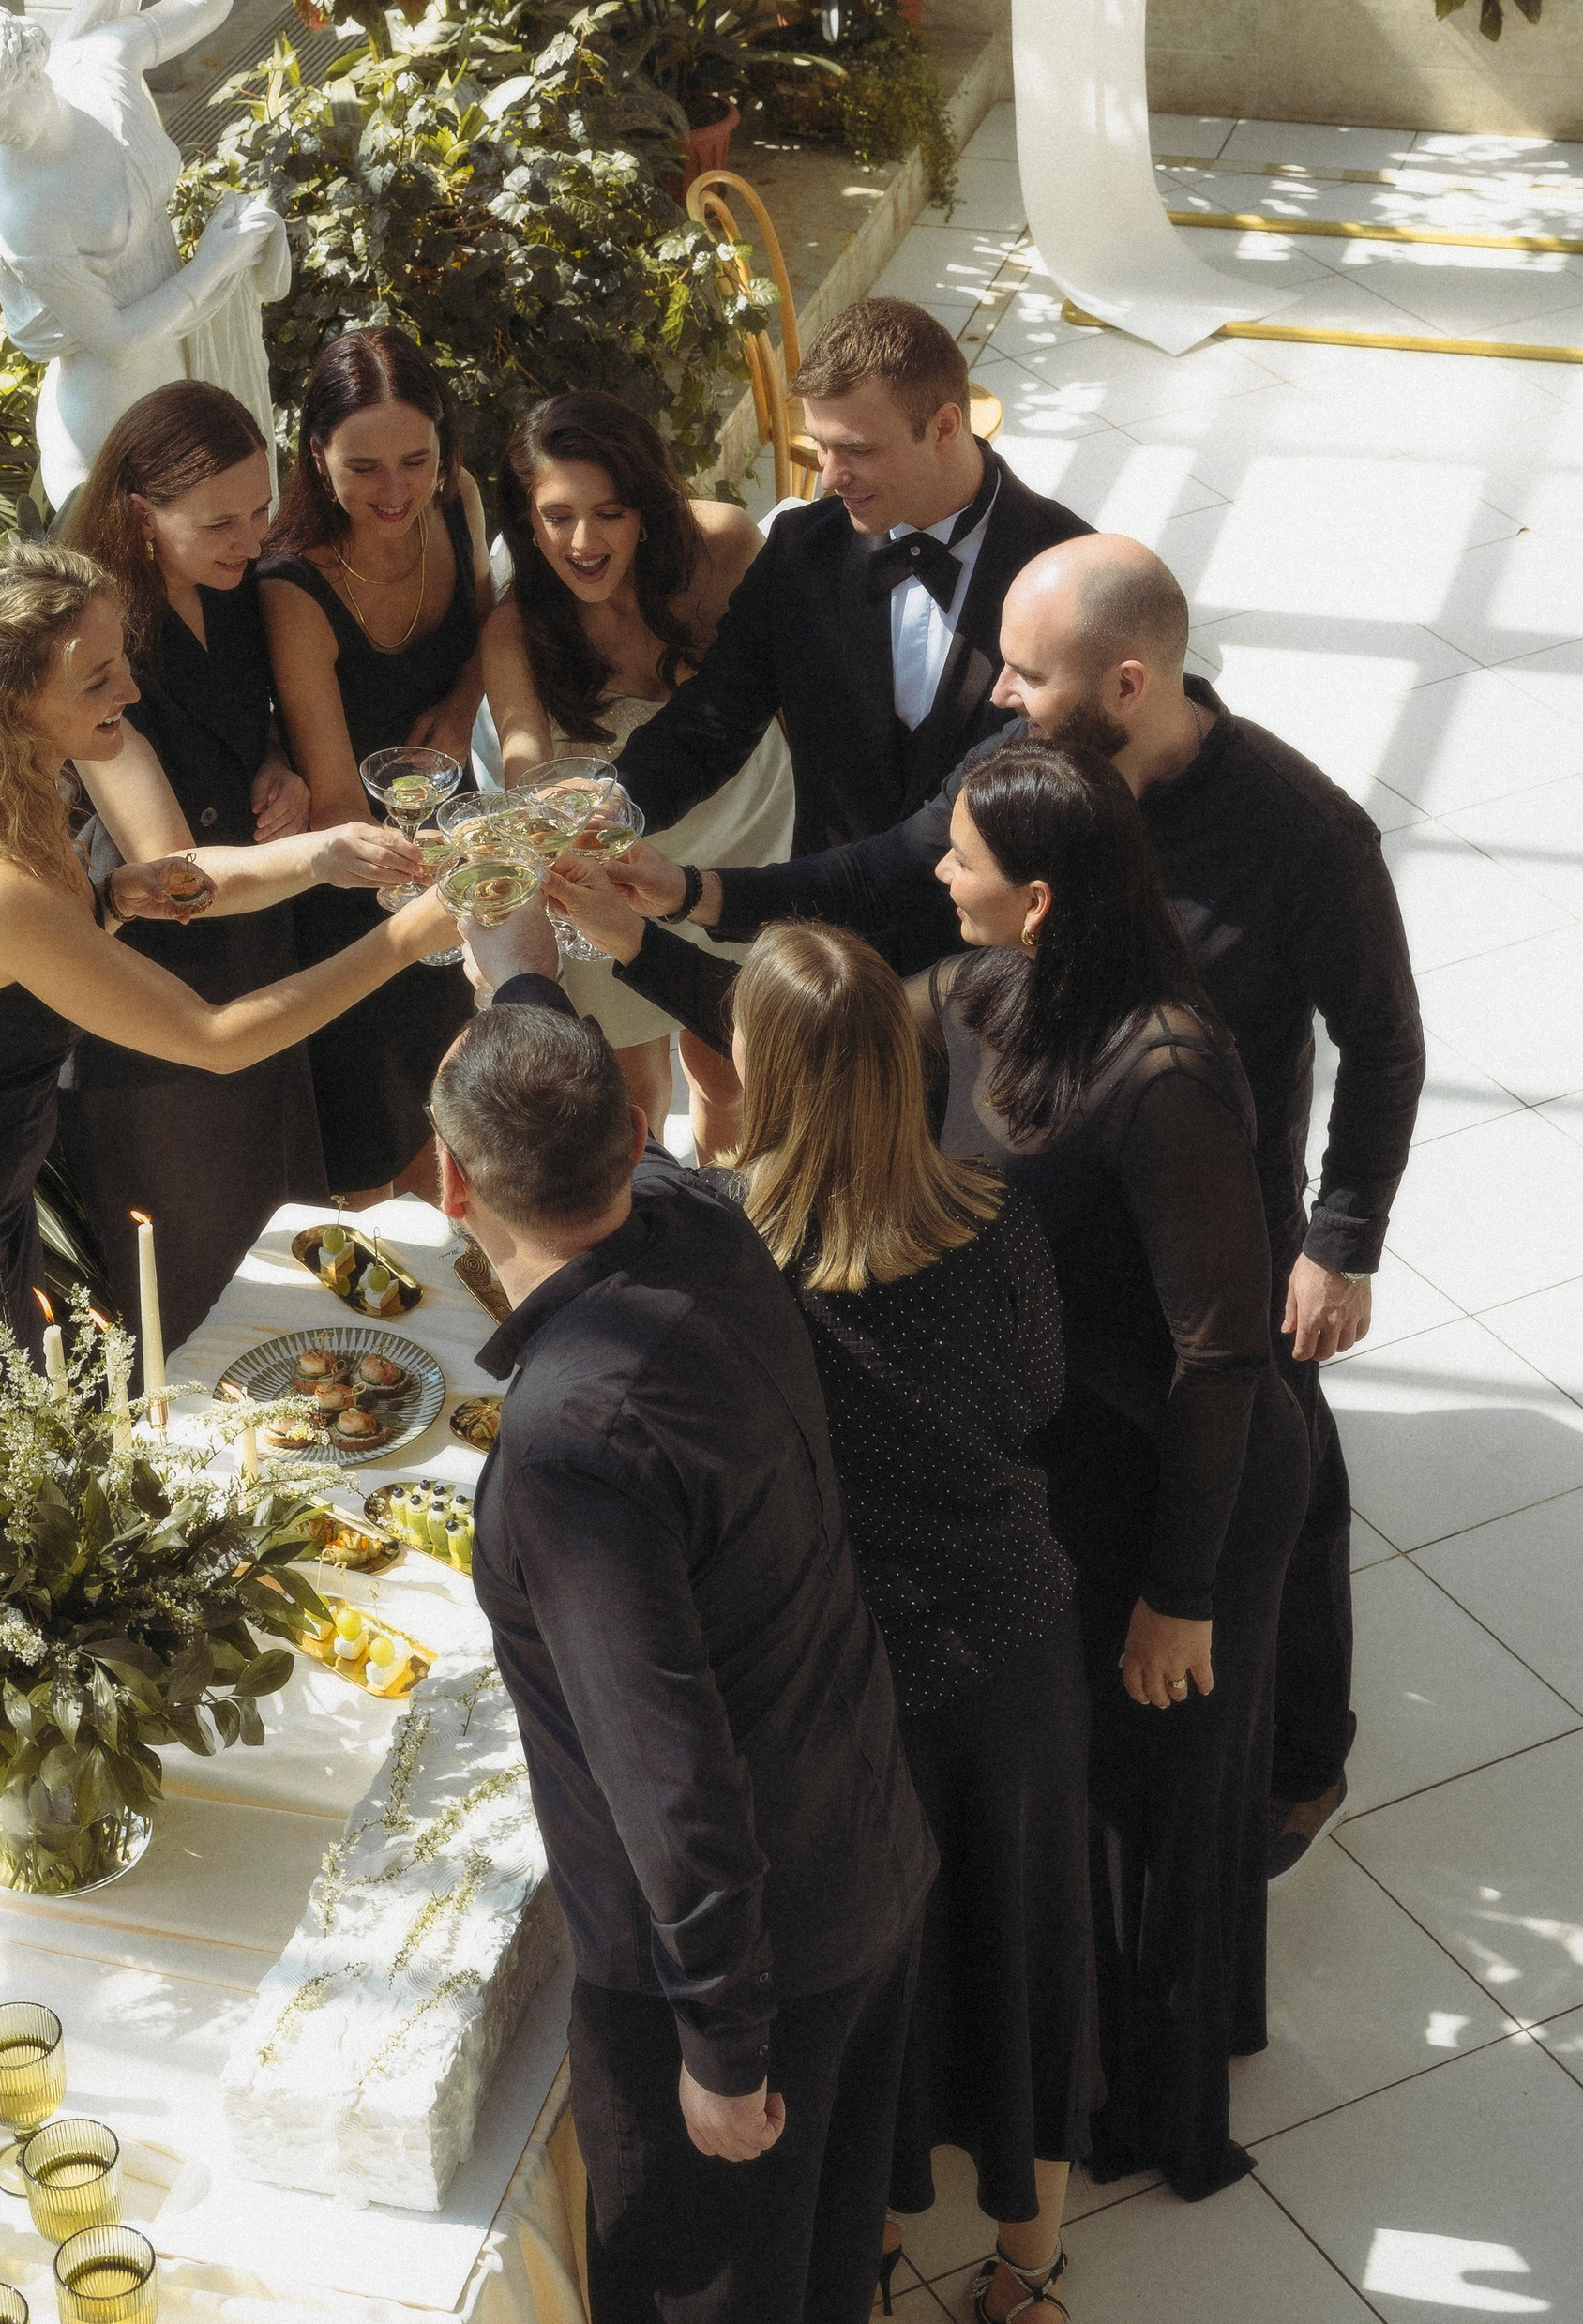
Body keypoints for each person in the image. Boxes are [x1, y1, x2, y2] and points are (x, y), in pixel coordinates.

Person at [552, 746, 1309, 2204]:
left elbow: (1224, 1355)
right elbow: (809, 1051)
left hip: (1178, 1479)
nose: (933, 875)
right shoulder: (976, 989)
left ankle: (1154, 2104)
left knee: (1154, 1806)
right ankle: (1040, 2092)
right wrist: (634, 943)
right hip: (1039, 1442)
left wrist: (1180, 1591)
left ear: (1037, 899)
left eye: (955, 859)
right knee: (1061, 1811)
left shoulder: (1160, 1069)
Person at [601, 533, 1422, 1874]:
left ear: (1129, 685)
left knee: (1277, 1520)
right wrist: (664, 917)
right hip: (1076, 1352)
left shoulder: (1292, 852)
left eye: (1028, 675)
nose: (996, 696)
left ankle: (1295, 1766)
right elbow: (847, 970)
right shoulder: (992, 952)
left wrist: (1339, 1244)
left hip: (1212, 1289)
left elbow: (1381, 1046)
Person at [432, 973, 936, 2324]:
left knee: (709, 2294)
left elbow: (673, 1779)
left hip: (754, 1954)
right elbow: (585, 1101)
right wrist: (519, 978)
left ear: (451, 1186)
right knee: (826, 2262)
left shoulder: (569, 1452)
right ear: (634, 1127)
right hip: (868, 1831)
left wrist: (719, 2040)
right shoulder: (702, 1219)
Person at [719, 926, 1093, 2324]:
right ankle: (1027, 2275)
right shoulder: (998, 1219)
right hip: (1012, 1651)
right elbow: (1041, 1399)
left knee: (872, 1974)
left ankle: (867, 2245)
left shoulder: (731, 1253)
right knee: (1023, 1951)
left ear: (761, 1068)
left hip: (842, 1681)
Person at [0, 543, 448, 1403]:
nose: (129, 692)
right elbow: (214, 1039)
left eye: (121, 661)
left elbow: (142, 890)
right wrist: (407, 940)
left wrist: (323, 855)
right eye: (97, 680)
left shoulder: (7, 786)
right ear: (7, 704)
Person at [59, 381, 407, 1349]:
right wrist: (323, 850)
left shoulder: (240, 593)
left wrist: (279, 766)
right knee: (197, 1279)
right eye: (218, 521)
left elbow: (242, 733)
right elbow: (168, 864)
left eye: (259, 512)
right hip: (159, 977)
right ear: (138, 514)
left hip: (262, 944)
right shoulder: (93, 640)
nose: (250, 540)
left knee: (287, 1238)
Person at [609, 299, 1086, 901]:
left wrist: (702, 896)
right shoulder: (800, 550)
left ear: (944, 427)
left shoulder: (1069, 571)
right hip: (829, 935)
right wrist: (615, 801)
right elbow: (714, 717)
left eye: (857, 449)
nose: (828, 476)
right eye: (820, 445)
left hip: (996, 955)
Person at [482, 391, 792, 1137]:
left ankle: (733, 1222)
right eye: (558, 516)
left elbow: (781, 684)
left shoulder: (723, 544)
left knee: (734, 1072)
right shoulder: (514, 621)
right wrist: (539, 834)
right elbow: (525, 755)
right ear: (528, 518)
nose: (583, 541)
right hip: (604, 860)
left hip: (740, 834)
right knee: (631, 1095)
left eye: (609, 512)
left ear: (646, 508)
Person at [260, 327, 495, 1202]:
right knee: (372, 1153)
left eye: (416, 459)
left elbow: (487, 629)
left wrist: (467, 699)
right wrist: (452, 892)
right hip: (356, 885)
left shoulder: (457, 499)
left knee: (461, 1127)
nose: (395, 490)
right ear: (317, 457)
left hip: (454, 846)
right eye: (364, 467)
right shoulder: (293, 587)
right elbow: (331, 809)